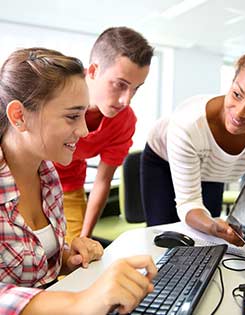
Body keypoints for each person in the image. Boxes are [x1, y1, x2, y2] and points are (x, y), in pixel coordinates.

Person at [0, 47, 157, 315]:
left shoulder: (48, 175)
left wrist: (66, 259)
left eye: (84, 114)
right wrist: (80, 302)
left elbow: (32, 265)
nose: (84, 130)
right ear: (19, 116)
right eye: (72, 116)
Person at [140, 46, 245, 246]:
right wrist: (211, 226)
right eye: (237, 94)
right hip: (163, 161)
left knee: (208, 240)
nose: (239, 113)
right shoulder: (189, 123)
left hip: (216, 171)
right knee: (167, 237)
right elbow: (188, 203)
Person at [54, 27, 154, 244]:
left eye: (136, 89)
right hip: (22, 181)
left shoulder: (124, 121)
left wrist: (84, 238)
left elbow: (102, 180)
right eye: (120, 85)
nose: (126, 100)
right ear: (92, 71)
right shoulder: (53, 90)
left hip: (68, 185)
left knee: (74, 259)